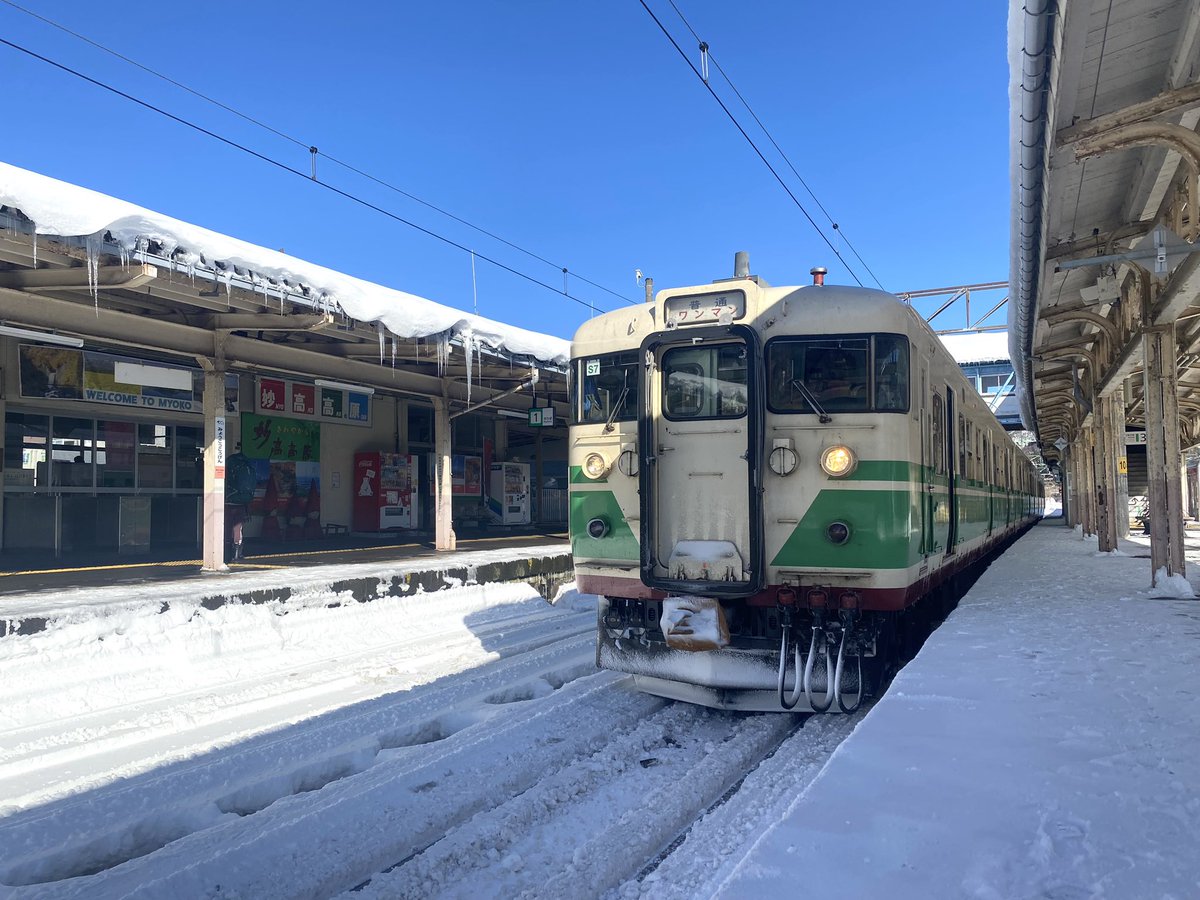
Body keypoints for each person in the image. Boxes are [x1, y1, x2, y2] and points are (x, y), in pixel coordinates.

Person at [225, 445, 256, 560]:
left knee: (227, 528)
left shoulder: (230, 462)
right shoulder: (246, 463)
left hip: (229, 502)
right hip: (242, 503)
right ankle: (237, 553)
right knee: (238, 529)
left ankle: (227, 553)